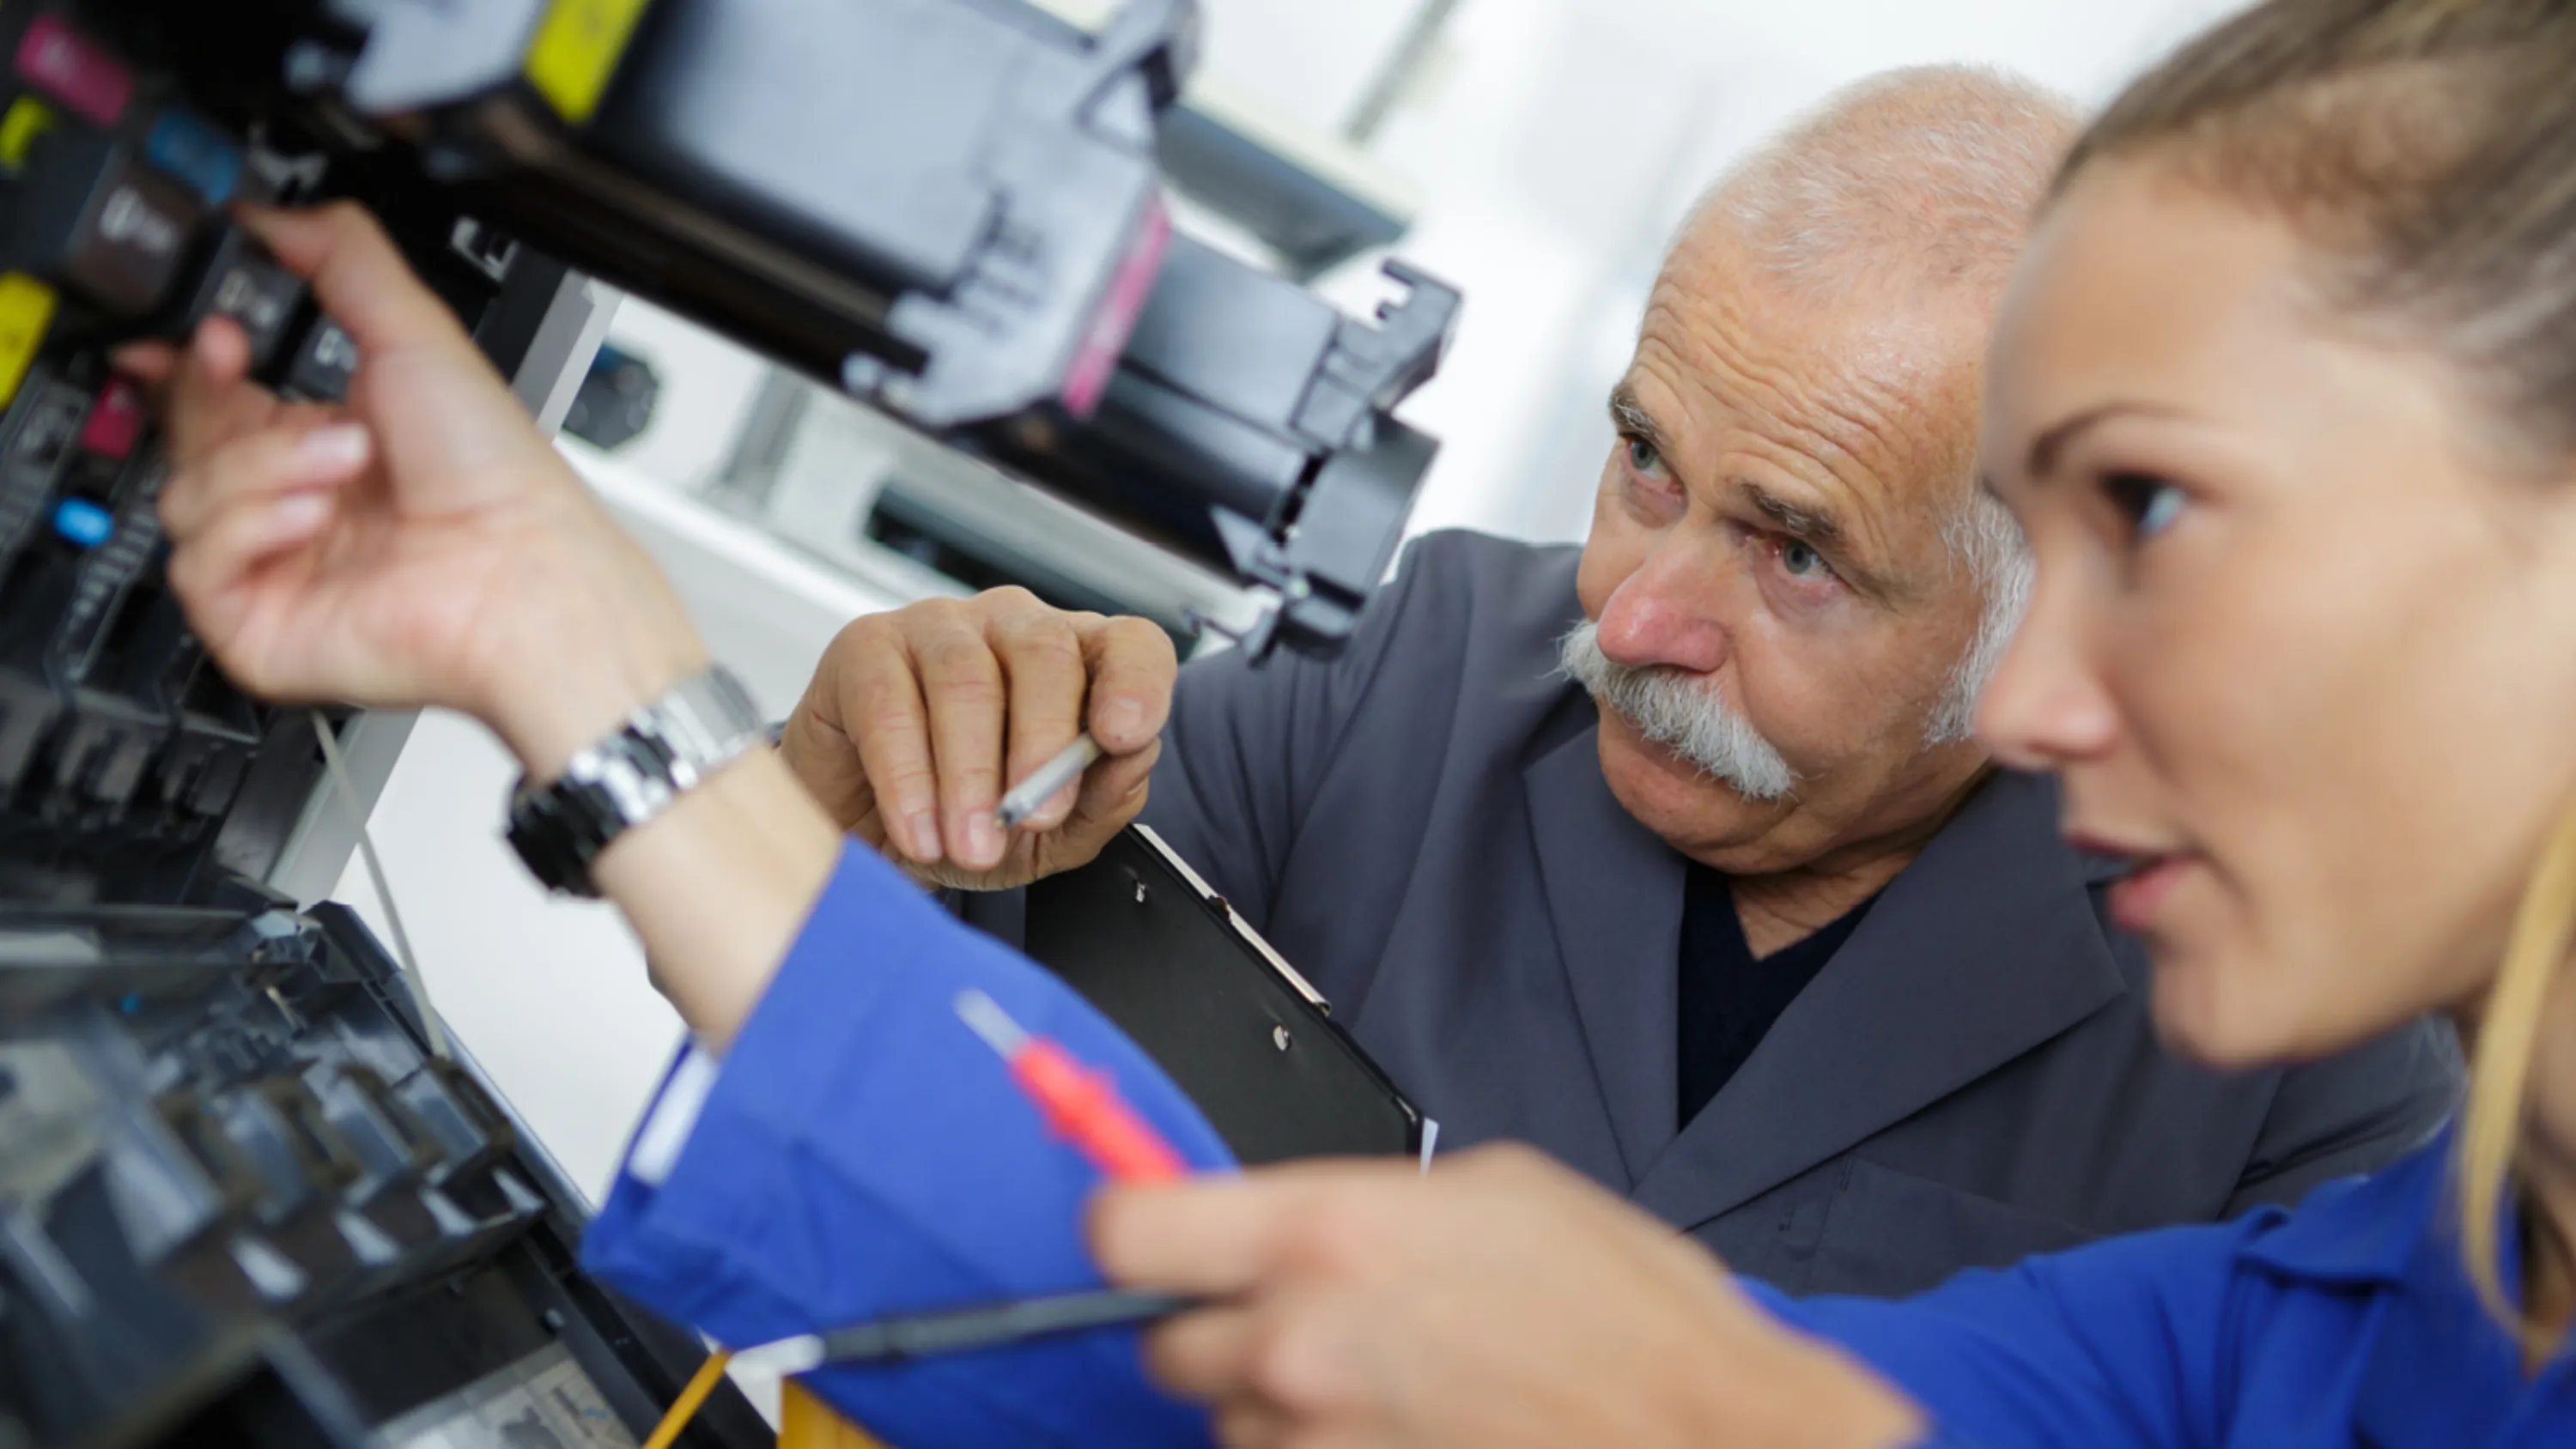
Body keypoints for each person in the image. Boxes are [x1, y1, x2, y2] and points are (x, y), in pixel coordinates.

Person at [136, 1, 2574, 1444]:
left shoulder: (2321, 1152)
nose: (2049, 701)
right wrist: (582, 655)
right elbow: (1335, 1333)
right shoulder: (2337, 1316)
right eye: (1642, 462)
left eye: (2161, 511)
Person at [775, 64, 2457, 1294]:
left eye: (1796, 553)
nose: (1636, 617)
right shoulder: (1399, 671)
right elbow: (880, 1095)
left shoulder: (2300, 1039)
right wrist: (842, 816)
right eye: (1647, 460)